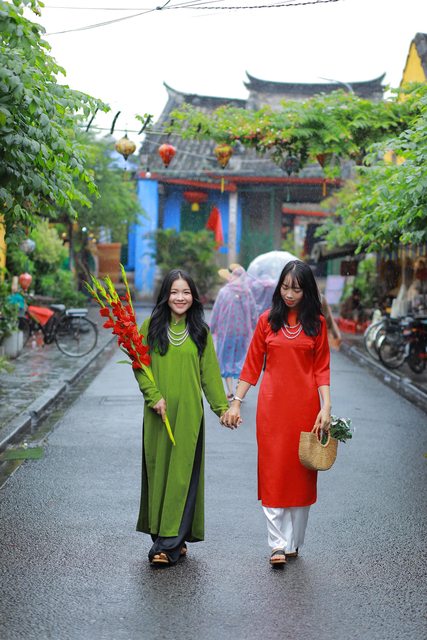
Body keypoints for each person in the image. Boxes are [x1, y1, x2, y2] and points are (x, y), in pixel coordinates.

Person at [220, 260, 331, 566]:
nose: (290, 294)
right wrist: (236, 401)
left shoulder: (317, 324)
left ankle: (293, 542)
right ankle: (277, 545)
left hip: (306, 409)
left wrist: (326, 407)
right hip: (272, 410)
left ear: (307, 291)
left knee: (301, 474)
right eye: (285, 287)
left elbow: (322, 369)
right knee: (273, 471)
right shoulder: (267, 321)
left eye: (297, 289)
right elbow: (252, 364)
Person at [134, 269, 231, 566]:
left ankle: (168, 544)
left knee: (181, 476)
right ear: (165, 295)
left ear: (194, 297)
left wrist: (222, 409)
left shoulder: (201, 332)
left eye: (186, 292)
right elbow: (139, 365)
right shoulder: (150, 327)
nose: (180, 297)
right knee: (159, 474)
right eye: (174, 292)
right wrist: (153, 396)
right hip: (158, 414)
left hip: (189, 416)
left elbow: (210, 375)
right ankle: (169, 536)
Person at [210, 265, 258, 400]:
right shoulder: (247, 292)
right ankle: (239, 391)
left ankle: (230, 391)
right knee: (241, 360)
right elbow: (253, 312)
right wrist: (255, 326)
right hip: (243, 333)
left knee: (226, 360)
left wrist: (212, 327)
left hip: (226, 333)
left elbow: (216, 311)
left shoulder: (224, 292)